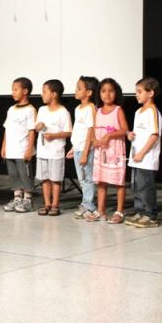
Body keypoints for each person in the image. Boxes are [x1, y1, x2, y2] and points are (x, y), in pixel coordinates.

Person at [85, 78, 128, 223]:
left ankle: (119, 212)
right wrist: (94, 140)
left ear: (116, 93)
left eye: (111, 91)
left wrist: (109, 135)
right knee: (101, 182)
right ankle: (100, 211)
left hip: (114, 151)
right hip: (101, 152)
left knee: (119, 182)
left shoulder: (118, 110)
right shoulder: (97, 111)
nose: (107, 94)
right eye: (103, 91)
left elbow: (124, 130)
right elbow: (93, 131)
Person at [125, 77, 162, 228]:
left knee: (146, 186)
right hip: (136, 157)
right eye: (136, 92)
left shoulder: (153, 111)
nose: (137, 95)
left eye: (140, 92)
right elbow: (139, 132)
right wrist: (130, 135)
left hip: (146, 158)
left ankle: (150, 215)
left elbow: (154, 135)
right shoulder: (138, 112)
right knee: (137, 186)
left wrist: (142, 153)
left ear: (151, 93)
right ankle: (140, 211)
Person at [34, 79, 72, 216]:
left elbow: (68, 132)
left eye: (45, 92)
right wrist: (39, 126)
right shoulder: (42, 109)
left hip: (56, 152)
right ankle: (47, 203)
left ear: (54, 94)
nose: (42, 94)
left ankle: (55, 204)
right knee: (45, 178)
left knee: (55, 179)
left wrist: (54, 136)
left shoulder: (63, 112)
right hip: (43, 151)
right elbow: (37, 126)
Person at [1, 77, 36, 213]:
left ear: (25, 91)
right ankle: (17, 197)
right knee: (13, 174)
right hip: (11, 149)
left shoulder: (30, 110)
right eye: (12, 90)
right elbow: (7, 129)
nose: (13, 92)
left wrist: (29, 149)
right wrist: (4, 146)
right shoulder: (11, 109)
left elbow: (31, 131)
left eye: (16, 89)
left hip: (23, 149)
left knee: (25, 174)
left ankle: (27, 199)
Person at [67, 76, 98, 220]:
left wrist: (86, 152)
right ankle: (85, 203)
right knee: (82, 179)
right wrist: (73, 148)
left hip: (87, 149)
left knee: (88, 178)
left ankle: (89, 206)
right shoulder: (77, 108)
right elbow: (77, 130)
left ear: (89, 92)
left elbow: (91, 131)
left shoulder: (91, 108)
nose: (76, 91)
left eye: (79, 88)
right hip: (78, 148)